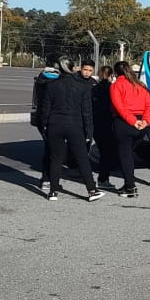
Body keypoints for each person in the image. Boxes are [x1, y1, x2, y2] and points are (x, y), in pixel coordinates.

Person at [38, 58, 102, 201]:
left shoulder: (52, 85)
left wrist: (44, 126)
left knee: (55, 158)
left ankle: (53, 191)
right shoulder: (83, 86)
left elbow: (45, 109)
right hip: (74, 124)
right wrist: (89, 131)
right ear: (74, 68)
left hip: (55, 123)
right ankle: (92, 190)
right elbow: (87, 112)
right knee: (82, 158)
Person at [109, 60, 150, 198]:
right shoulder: (140, 86)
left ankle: (130, 186)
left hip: (124, 123)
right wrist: (145, 121)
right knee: (129, 153)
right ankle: (128, 183)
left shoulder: (117, 85)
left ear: (116, 72)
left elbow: (119, 106)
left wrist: (133, 121)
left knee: (125, 155)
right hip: (142, 123)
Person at [31, 60, 64, 191]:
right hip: (53, 118)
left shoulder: (42, 77)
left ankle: (46, 179)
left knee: (49, 149)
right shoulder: (56, 79)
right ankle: (48, 179)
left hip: (42, 117)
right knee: (54, 152)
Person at [92, 65, 118, 188]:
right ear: (111, 75)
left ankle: (101, 177)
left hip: (96, 122)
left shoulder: (94, 88)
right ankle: (103, 179)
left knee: (102, 150)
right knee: (107, 153)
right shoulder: (112, 89)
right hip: (109, 122)